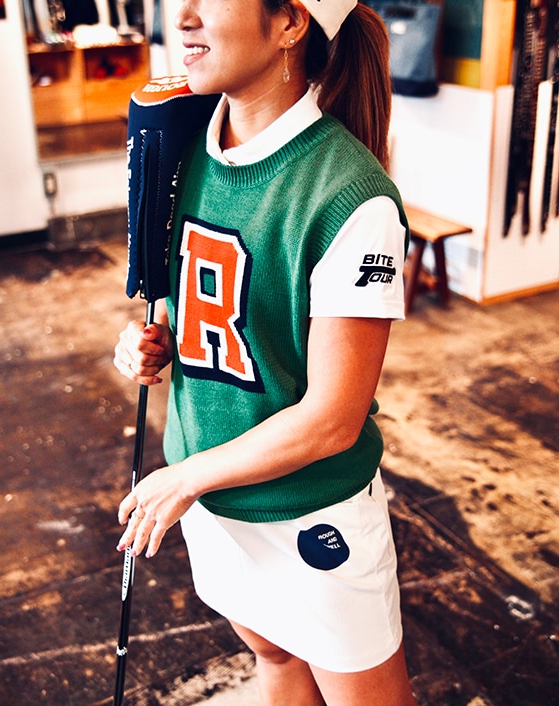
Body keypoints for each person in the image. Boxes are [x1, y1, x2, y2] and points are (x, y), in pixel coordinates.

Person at [114, 1, 418, 704]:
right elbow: (202, 305)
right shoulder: (183, 147)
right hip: (211, 501)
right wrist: (153, 343)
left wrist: (185, 479)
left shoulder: (352, 197)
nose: (182, 17)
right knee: (275, 659)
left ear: (289, 24)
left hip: (308, 513)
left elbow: (332, 420)